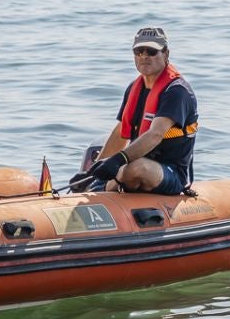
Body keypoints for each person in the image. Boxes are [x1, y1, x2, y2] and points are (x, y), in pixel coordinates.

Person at [71, 26, 198, 195]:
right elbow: (120, 133)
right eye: (139, 51)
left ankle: (104, 191)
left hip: (171, 172)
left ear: (166, 54)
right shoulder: (134, 88)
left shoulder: (176, 92)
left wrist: (118, 160)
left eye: (152, 51)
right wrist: (91, 174)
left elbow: (155, 134)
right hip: (133, 164)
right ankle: (97, 189)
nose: (144, 56)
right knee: (125, 168)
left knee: (135, 168)